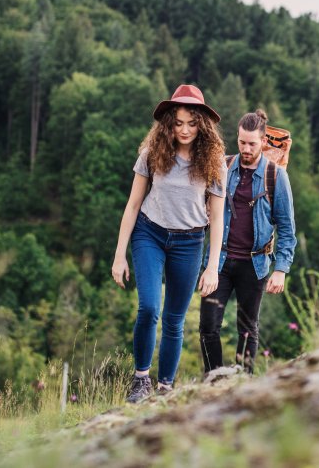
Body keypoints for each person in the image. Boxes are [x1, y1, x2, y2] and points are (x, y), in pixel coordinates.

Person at [111, 84, 227, 403]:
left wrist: (212, 266)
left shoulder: (215, 163)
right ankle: (141, 380)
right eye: (178, 122)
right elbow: (133, 205)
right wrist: (119, 256)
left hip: (190, 241)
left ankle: (165, 387)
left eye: (192, 122)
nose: (185, 129)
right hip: (150, 234)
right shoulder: (152, 154)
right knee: (149, 308)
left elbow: (217, 219)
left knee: (175, 320)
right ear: (168, 124)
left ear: (202, 124)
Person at [199, 109, 297, 374]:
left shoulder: (276, 176)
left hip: (254, 264)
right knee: (208, 326)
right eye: (242, 142)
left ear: (263, 141)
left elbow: (287, 227)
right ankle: (214, 379)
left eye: (252, 143)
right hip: (219, 259)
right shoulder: (224, 166)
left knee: (247, 329)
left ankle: (243, 382)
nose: (246, 148)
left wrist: (281, 269)